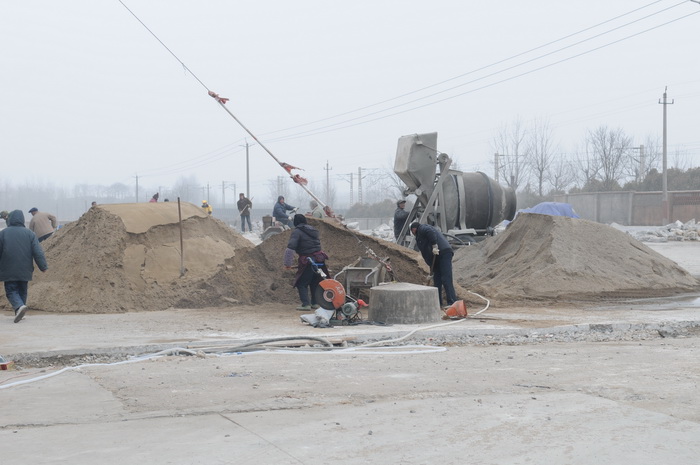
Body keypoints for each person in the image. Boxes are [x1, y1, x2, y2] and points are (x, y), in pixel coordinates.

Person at [0, 210, 48, 323]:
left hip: (8, 268)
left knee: (11, 290)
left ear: (10, 219)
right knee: (22, 289)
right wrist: (43, 266)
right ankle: (20, 311)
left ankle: (19, 307)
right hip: (25, 269)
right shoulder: (30, 233)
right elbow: (38, 252)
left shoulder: (3, 233)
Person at [285, 214, 329, 311]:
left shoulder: (297, 232)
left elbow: (290, 248)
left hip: (308, 260)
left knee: (302, 283)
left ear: (295, 222)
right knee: (314, 282)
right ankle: (315, 303)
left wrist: (287, 264)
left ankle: (306, 304)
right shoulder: (313, 230)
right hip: (319, 259)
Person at [410, 221, 458, 307]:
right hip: (436, 258)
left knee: (446, 278)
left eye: (412, 231)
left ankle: (452, 302)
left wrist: (434, 246)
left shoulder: (422, 228)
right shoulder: (419, 237)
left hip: (443, 253)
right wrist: (431, 271)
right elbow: (426, 253)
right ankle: (437, 303)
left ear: (413, 229)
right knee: (437, 281)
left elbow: (430, 232)